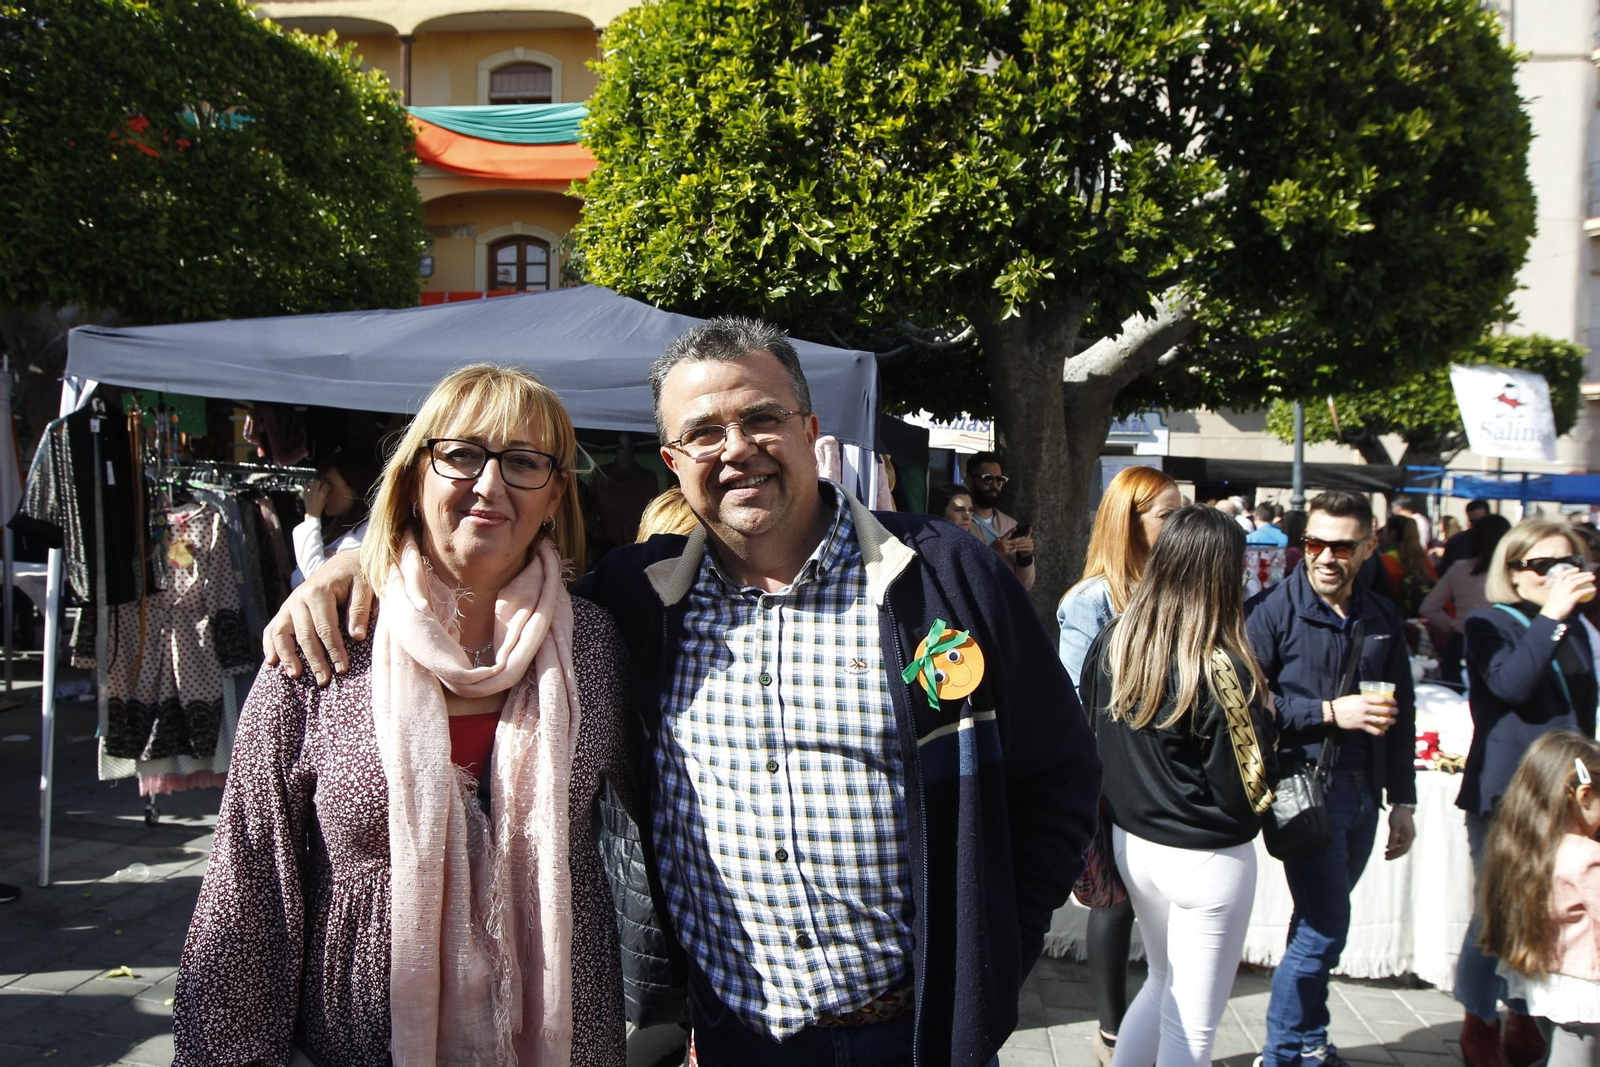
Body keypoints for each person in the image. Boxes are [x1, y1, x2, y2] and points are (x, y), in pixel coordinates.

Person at [263, 316, 1103, 1067]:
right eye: (702, 432)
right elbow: (492, 568)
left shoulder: (944, 578)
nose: (734, 448)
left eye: (761, 417)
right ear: (672, 461)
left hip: (917, 1036)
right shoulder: (631, 603)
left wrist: (992, 953)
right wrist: (354, 569)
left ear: (811, 431)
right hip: (734, 1038)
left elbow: (1060, 775)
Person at [174, 365, 633, 1067]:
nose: (490, 484)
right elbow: (250, 880)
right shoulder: (324, 642)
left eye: (522, 461)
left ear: (555, 492)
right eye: (461, 454)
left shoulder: (597, 645)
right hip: (363, 1041)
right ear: (416, 473)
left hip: (566, 1038)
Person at [1080, 504, 1278, 1067]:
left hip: (1134, 845)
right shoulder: (1217, 664)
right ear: (1222, 573)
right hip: (1204, 856)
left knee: (1162, 985)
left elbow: (1088, 733)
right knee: (1191, 1027)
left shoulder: (1117, 639)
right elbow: (1247, 789)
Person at [1246, 489, 1417, 1067]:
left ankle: (1307, 1041)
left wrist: (1405, 802)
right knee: (1325, 928)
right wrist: (1326, 712)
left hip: (1364, 791)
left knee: (1318, 920)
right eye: (1315, 543)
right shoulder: (1271, 611)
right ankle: (1280, 1052)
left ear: (1367, 546)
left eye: (1341, 546)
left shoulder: (1380, 615)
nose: (1325, 557)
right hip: (1303, 791)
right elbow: (1247, 705)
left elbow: (1403, 712)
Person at [1454, 518, 1599, 1067]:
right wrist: (1552, 616)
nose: (1557, 575)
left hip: (1570, 795)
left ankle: (1526, 1014)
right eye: (1542, 565)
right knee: (1496, 913)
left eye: (1568, 563)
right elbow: (1510, 684)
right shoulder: (1491, 623)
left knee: (1548, 913)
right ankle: (1479, 1018)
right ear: (1513, 573)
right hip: (1509, 795)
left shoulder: (1583, 629)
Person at [1055, 464, 1182, 1066]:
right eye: (1168, 514)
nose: (1182, 524)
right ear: (1128, 525)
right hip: (1111, 778)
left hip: (1164, 776)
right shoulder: (1094, 599)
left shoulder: (1176, 591)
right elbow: (1070, 697)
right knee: (1116, 901)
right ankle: (1110, 1034)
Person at [1479, 731, 1600, 1067]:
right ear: (1584, 795)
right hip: (1585, 991)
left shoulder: (1523, 847)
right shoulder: (1587, 856)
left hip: (1545, 981)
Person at [1420, 515, 1512, 684]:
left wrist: (1453, 626)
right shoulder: (1513, 573)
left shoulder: (1460, 568)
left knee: (1456, 696)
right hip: (1503, 641)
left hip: (1462, 640)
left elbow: (1428, 607)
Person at [290, 448, 378, 587]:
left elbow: (318, 581)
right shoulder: (333, 530)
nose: (323, 493)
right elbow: (297, 577)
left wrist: (312, 516)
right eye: (321, 485)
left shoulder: (366, 532)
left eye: (330, 485)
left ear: (355, 490)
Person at [965, 450, 1037, 591]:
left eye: (1000, 480)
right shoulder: (958, 524)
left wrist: (1025, 558)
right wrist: (993, 552)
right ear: (969, 481)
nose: (994, 485)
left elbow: (1024, 586)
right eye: (988, 479)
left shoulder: (1010, 525)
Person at [1378, 514, 1438, 617]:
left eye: (1385, 531)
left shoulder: (1386, 560)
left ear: (1392, 533)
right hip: (1422, 615)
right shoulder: (1423, 558)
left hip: (1395, 614)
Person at [1442, 500, 1495, 574]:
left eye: (1481, 521)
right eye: (1473, 521)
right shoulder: (1457, 541)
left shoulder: (1498, 540)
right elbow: (1445, 569)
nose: (1477, 525)